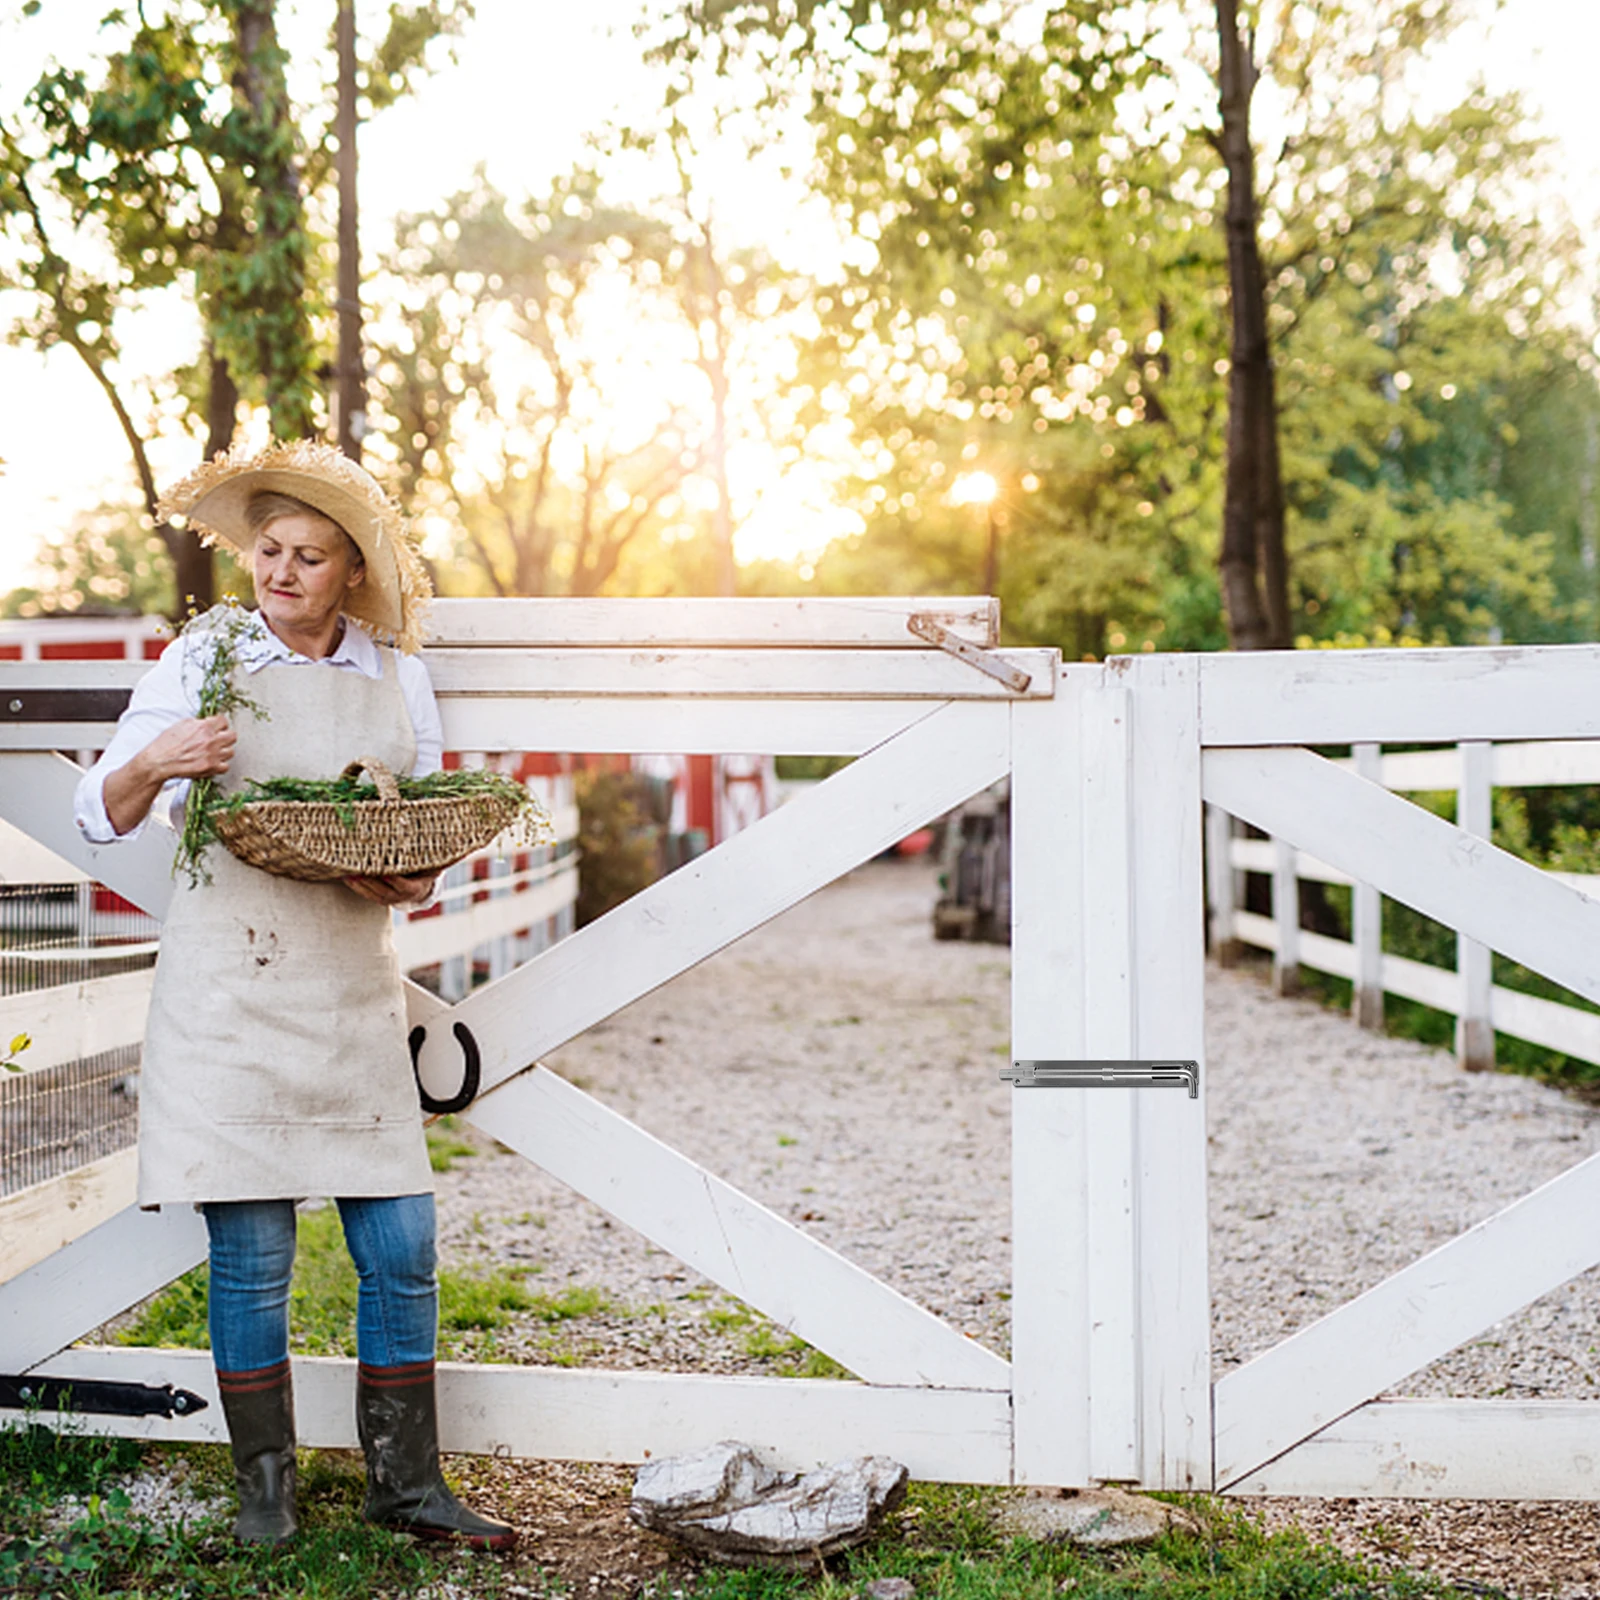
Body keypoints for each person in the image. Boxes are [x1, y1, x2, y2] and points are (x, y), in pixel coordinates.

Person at [74, 440, 515, 1551]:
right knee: (254, 1254)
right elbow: (99, 810)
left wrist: (408, 873)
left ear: (351, 571)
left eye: (309, 556)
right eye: (268, 549)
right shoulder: (202, 658)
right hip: (230, 991)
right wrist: (160, 756)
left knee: (403, 1244)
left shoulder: (393, 674)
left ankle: (405, 1483)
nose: (280, 570)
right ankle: (264, 1498)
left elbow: (416, 850)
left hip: (349, 991)